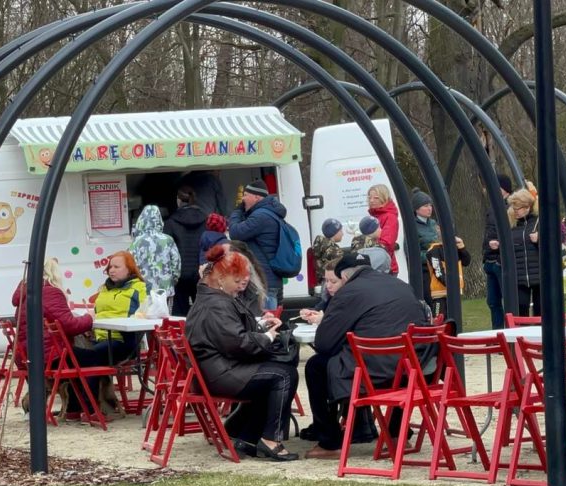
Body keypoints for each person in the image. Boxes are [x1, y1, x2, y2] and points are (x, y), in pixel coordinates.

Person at [304, 252, 434, 459]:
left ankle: (330, 442)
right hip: (416, 366)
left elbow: (323, 343)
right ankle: (396, 434)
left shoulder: (349, 292)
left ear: (344, 277)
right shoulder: (400, 284)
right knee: (399, 363)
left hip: (374, 373)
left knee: (315, 366)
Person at [186, 244, 299, 461]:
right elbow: (238, 343)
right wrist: (267, 337)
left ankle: (243, 435)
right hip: (221, 374)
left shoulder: (210, 298)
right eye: (237, 281)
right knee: (284, 375)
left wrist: (261, 325)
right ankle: (270, 440)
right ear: (221, 278)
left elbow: (230, 335)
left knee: (277, 373)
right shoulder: (217, 304)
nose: (242, 285)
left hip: (213, 371)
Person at [12, 257, 96, 420]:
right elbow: (70, 325)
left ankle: (72, 408)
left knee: (80, 357)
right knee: (94, 357)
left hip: (28, 355)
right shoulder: (49, 292)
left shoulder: (26, 292)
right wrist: (90, 317)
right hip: (49, 355)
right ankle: (88, 409)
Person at [228, 179, 289, 308]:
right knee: (270, 317)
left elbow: (235, 232)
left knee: (266, 319)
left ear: (256, 197)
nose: (243, 199)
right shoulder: (270, 213)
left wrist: (237, 212)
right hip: (271, 279)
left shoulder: (260, 216)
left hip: (264, 281)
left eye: (246, 195)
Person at [164, 188, 207, 315]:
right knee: (201, 313)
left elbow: (166, 249)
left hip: (180, 274)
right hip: (200, 272)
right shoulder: (206, 220)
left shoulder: (171, 222)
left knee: (179, 314)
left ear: (178, 200)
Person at [481, 174, 513, 328]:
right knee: (493, 302)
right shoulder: (493, 207)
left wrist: (501, 245)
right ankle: (497, 332)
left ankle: (509, 331)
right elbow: (488, 232)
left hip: (500, 260)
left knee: (508, 300)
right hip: (490, 259)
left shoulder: (511, 207)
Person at [130, 204, 181, 301]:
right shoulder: (168, 240)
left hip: (143, 288)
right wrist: (172, 280)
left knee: (145, 310)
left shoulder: (136, 242)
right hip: (165, 288)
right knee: (164, 310)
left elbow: (130, 264)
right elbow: (176, 264)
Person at [507, 189, 541, 317]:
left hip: (539, 275)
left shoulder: (539, 222)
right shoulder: (511, 224)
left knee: (541, 310)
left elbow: (553, 244)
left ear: (527, 207)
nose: (515, 211)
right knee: (520, 309)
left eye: (518, 208)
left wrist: (539, 240)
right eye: (513, 207)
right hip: (519, 276)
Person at [426, 236, 471, 319]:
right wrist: (452, 286)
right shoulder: (434, 250)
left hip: (454, 292)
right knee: (439, 320)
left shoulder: (455, 248)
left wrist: (462, 247)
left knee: (455, 320)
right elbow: (438, 272)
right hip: (440, 293)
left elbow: (466, 261)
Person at [367, 183, 399, 275]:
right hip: (376, 265)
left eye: (376, 198)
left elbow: (386, 243)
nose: (371, 200)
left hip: (385, 267)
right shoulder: (375, 216)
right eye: (369, 198)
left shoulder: (389, 217)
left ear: (384, 198)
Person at [312, 218, 344, 284]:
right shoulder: (334, 250)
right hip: (332, 283)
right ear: (334, 233)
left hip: (322, 283)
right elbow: (342, 271)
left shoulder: (320, 246)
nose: (342, 234)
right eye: (340, 231)